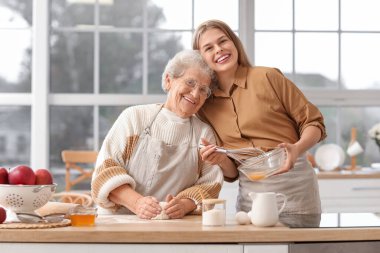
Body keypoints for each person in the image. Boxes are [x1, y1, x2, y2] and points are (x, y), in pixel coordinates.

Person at [193, 20, 327, 214]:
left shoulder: (268, 77)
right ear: (201, 58)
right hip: (251, 198)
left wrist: (297, 149)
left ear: (234, 43)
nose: (219, 50)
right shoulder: (205, 106)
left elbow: (314, 122)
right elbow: (232, 173)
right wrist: (220, 160)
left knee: (300, 245)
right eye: (209, 48)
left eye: (223, 41)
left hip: (295, 189)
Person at [91, 50, 224, 219]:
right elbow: (105, 170)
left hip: (172, 225)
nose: (195, 94)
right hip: (119, 222)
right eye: (190, 83)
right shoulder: (134, 117)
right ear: (169, 80)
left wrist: (184, 204)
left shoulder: (203, 133)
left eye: (203, 90)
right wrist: (137, 203)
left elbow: (210, 185)